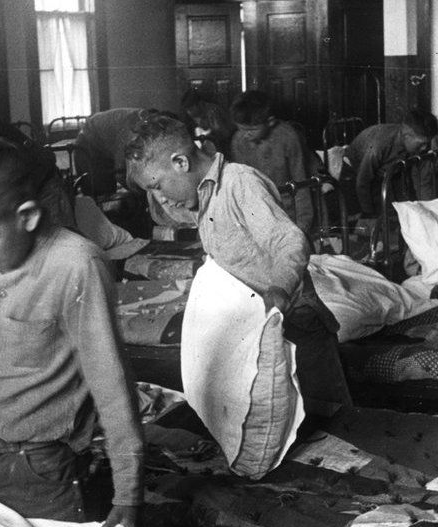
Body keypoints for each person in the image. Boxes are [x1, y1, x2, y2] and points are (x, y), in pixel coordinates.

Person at [0, 137, 144, 527]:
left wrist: (128, 495)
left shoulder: (75, 264)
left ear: (26, 217)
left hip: (42, 467)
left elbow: (112, 384)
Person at [125, 112, 352, 417]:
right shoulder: (203, 195)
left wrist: (278, 289)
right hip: (262, 328)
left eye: (157, 186)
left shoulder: (239, 183)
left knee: (335, 420)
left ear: (181, 163)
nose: (160, 198)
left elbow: (290, 241)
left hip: (298, 325)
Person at [230, 90, 314, 234]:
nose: (245, 134)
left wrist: (302, 225)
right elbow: (241, 185)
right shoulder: (238, 140)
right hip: (257, 209)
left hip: (287, 209)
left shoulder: (288, 137)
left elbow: (301, 183)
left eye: (252, 129)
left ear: (270, 122)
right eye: (241, 128)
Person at [343, 108, 438, 217]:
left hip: (383, 171)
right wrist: (368, 214)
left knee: (397, 211)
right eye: (421, 143)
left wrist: (428, 208)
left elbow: (418, 179)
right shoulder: (379, 146)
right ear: (407, 136)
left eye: (427, 143)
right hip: (354, 172)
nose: (425, 147)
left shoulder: (413, 146)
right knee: (360, 218)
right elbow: (362, 181)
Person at [181, 89, 237, 155]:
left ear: (200, 103)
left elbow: (223, 133)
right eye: (187, 109)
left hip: (224, 147)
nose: (189, 112)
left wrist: (207, 134)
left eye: (190, 109)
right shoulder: (190, 116)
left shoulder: (213, 111)